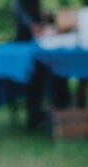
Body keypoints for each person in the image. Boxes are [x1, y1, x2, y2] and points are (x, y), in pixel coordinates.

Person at [12, 0, 72, 128]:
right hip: (26, 42)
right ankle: (35, 116)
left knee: (53, 75)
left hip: (40, 45)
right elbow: (21, 13)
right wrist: (33, 25)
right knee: (34, 80)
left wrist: (45, 18)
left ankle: (60, 110)